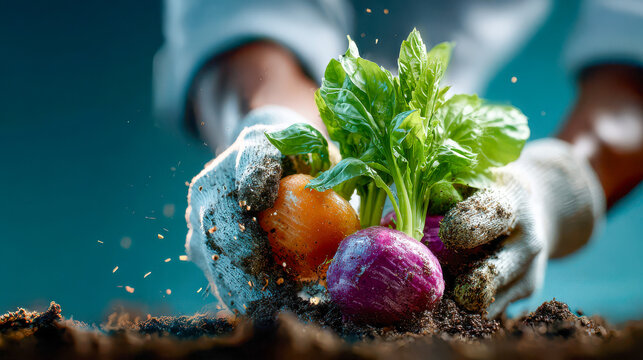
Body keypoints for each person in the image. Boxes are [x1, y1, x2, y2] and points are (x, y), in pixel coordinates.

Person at [153, 0, 643, 317]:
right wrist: (268, 117)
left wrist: (556, 183)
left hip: (428, 151)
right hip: (335, 145)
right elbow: (240, 21)